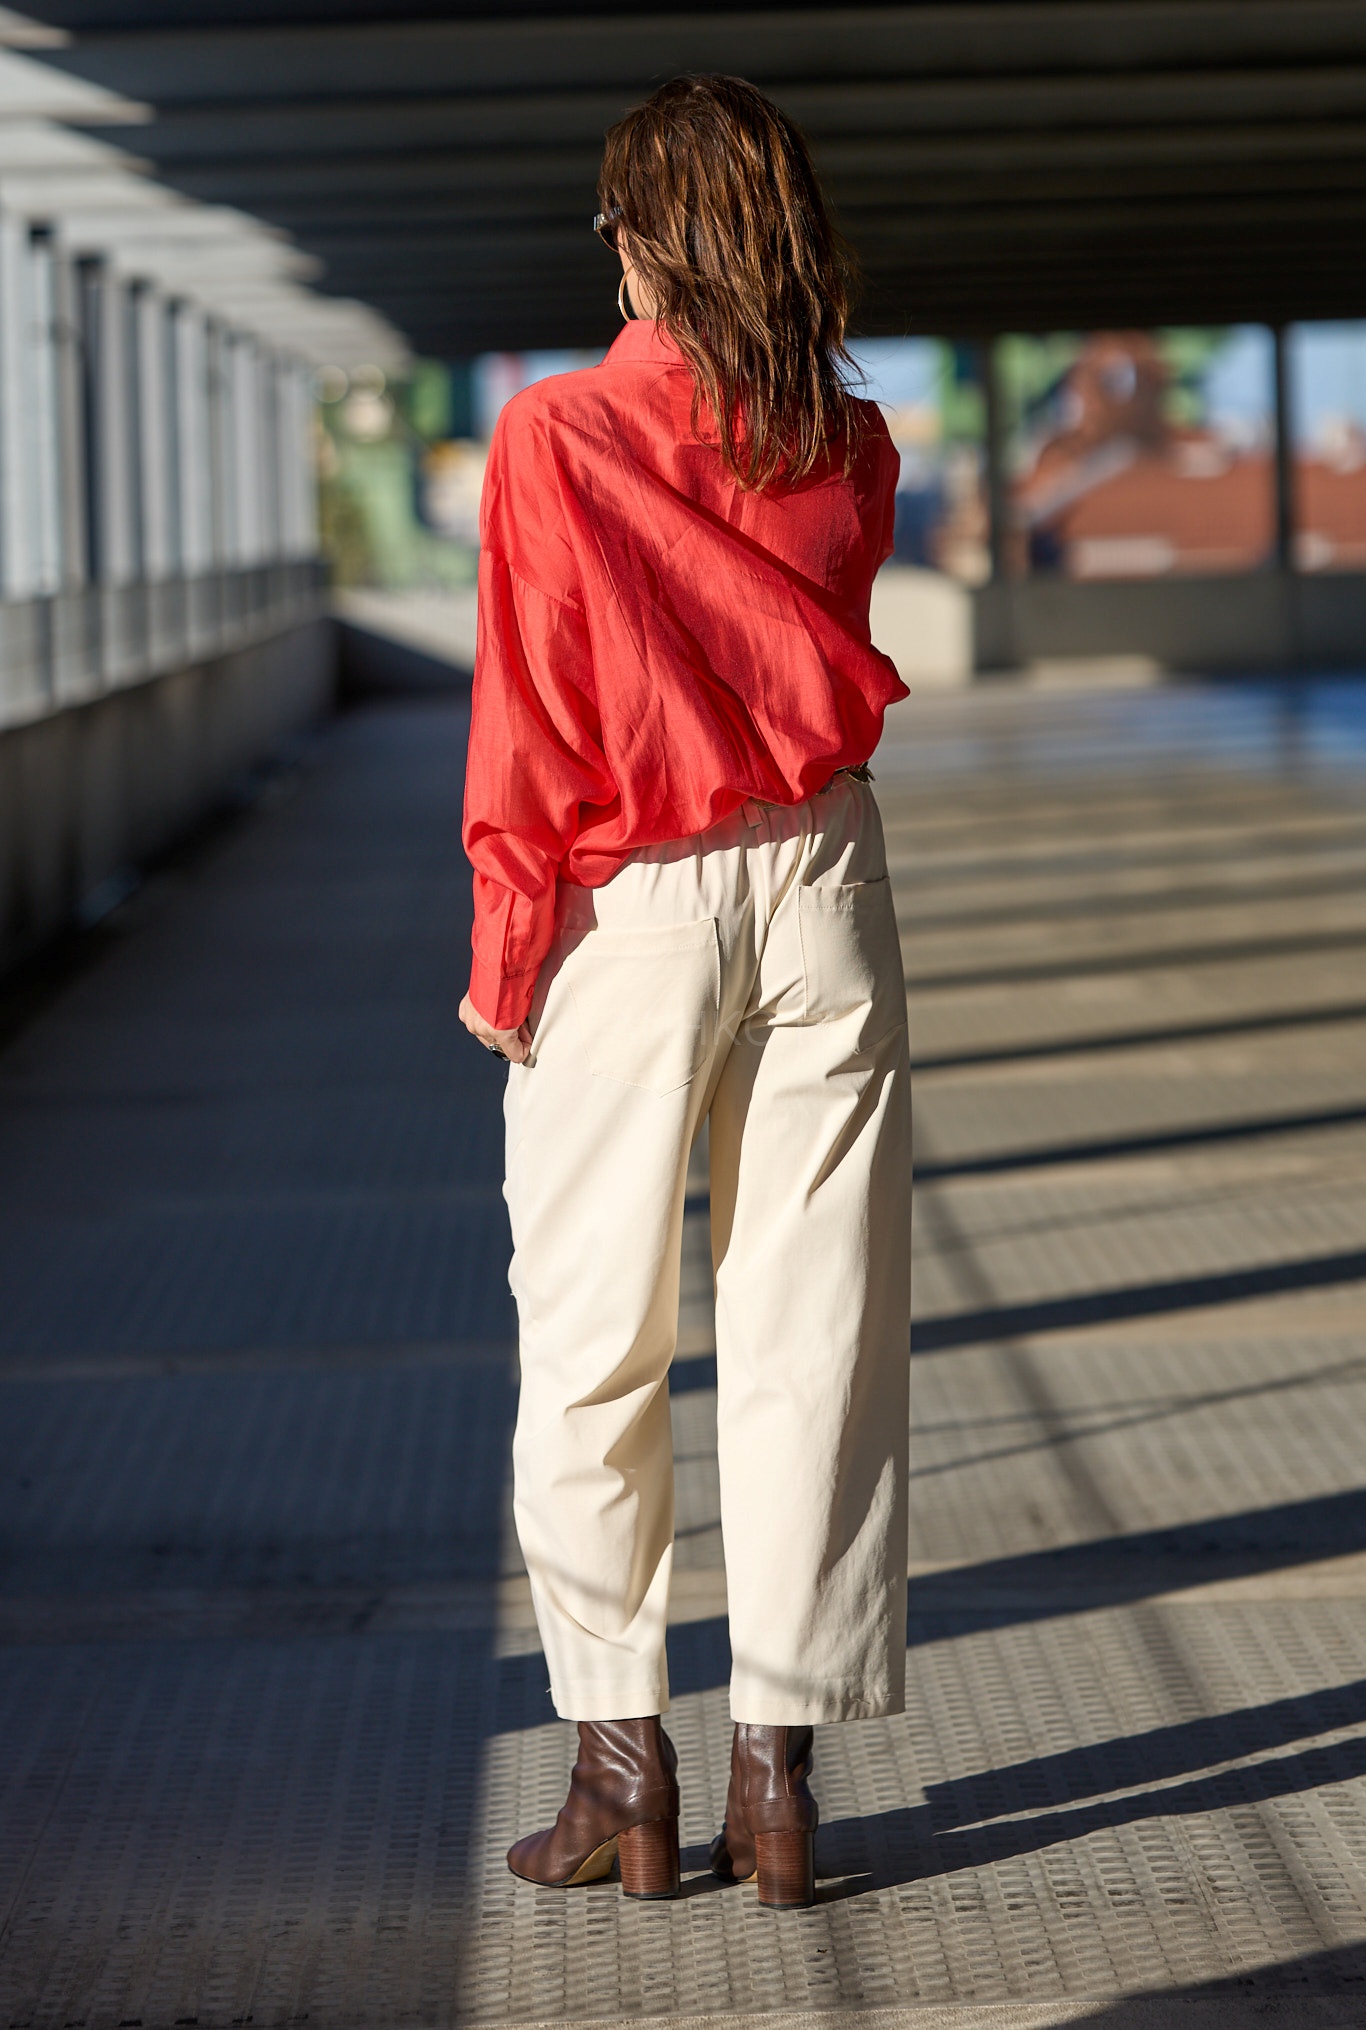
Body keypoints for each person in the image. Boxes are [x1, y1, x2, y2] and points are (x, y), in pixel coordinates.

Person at [458, 73, 911, 1910]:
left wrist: (506, 952)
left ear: (652, 238)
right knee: (817, 1334)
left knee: (591, 1342)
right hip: (827, 879)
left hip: (629, 897)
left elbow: (532, 708)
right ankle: (774, 1783)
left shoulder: (556, 432)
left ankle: (617, 1769)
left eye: (615, 229)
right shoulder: (849, 443)